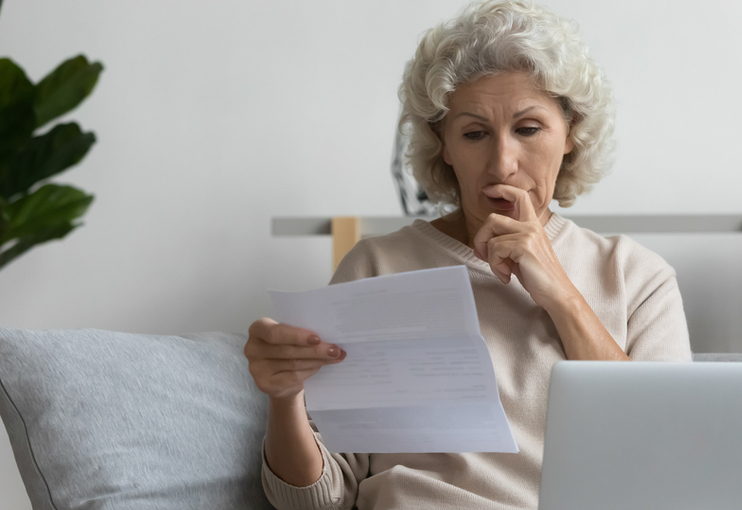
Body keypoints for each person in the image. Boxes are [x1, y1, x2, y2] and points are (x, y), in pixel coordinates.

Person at [244, 1, 692, 508]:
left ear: (571, 133)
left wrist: (562, 295)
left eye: (528, 129)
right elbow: (315, 500)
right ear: (445, 147)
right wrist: (285, 401)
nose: (502, 163)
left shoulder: (638, 277)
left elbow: (665, 458)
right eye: (475, 133)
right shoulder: (375, 268)